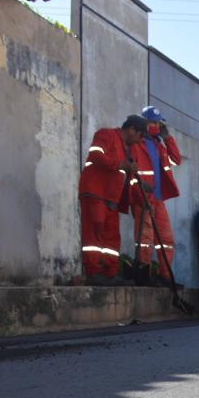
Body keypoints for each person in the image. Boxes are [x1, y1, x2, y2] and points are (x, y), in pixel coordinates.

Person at [78, 115, 145, 285]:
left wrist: (139, 200)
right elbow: (95, 155)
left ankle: (110, 273)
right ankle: (93, 273)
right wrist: (120, 164)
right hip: (95, 192)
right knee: (95, 231)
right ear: (131, 130)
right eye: (139, 136)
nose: (139, 141)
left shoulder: (129, 151)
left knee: (112, 236)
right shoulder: (106, 134)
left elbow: (129, 179)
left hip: (112, 199)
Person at [130, 105, 182, 286]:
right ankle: (143, 274)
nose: (157, 126)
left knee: (166, 240)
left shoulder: (160, 145)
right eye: (154, 122)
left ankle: (165, 276)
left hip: (158, 199)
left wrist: (168, 138)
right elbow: (132, 174)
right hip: (143, 196)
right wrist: (139, 195)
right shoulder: (137, 143)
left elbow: (177, 159)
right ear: (145, 122)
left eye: (159, 123)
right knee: (145, 238)